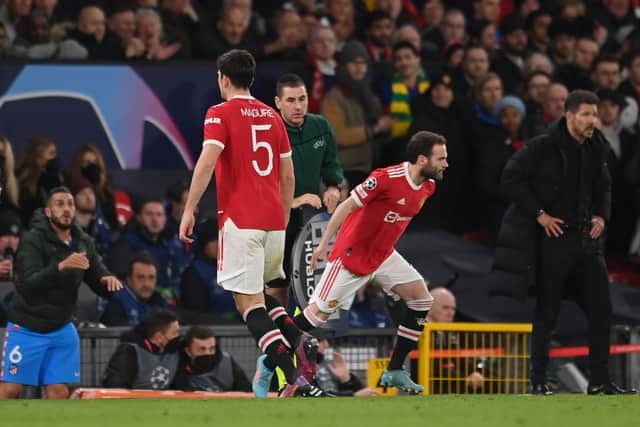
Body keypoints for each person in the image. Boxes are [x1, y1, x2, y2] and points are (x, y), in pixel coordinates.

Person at [178, 49, 325, 398]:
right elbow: (287, 175)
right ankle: (299, 337)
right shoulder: (274, 117)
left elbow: (207, 160)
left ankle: (291, 373)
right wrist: (283, 217)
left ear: (222, 78)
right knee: (259, 294)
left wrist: (189, 208)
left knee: (248, 305)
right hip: (275, 220)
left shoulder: (219, 113)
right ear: (252, 80)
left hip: (241, 221)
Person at [495, 90, 637, 395]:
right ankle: (538, 381)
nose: (592, 120)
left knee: (602, 310)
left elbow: (606, 187)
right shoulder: (542, 146)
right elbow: (509, 178)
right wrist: (540, 215)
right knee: (547, 312)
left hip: (587, 241)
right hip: (553, 239)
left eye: (594, 114)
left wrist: (603, 216)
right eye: (586, 114)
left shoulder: (597, 147)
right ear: (568, 115)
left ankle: (599, 381)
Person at [292, 130, 449, 394]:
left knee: (422, 300)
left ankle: (395, 370)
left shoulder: (428, 187)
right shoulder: (384, 179)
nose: (446, 164)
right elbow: (345, 207)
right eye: (441, 158)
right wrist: (323, 245)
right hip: (351, 256)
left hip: (383, 256)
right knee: (316, 316)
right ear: (422, 159)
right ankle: (269, 357)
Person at [0, 186, 122, 399]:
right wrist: (59, 266)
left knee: (58, 391)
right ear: (48, 212)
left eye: (70, 204)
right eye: (59, 204)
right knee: (11, 389)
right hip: (28, 327)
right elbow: (27, 283)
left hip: (62, 327)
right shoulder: (32, 239)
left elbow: (95, 271)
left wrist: (106, 279)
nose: (66, 209)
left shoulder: (83, 241)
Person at [267, 73, 344, 307]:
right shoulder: (268, 131)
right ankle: (276, 340)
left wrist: (332, 187)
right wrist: (295, 200)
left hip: (311, 221)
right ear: (278, 103)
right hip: (278, 221)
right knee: (278, 287)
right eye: (290, 101)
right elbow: (261, 182)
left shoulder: (320, 126)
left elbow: (332, 165)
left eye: (302, 99)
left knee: (313, 287)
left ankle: (307, 341)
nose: (298, 106)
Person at [102, 309, 181, 390]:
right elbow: (116, 387)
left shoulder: (175, 352)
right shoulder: (129, 352)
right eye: (174, 333)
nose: (178, 336)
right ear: (159, 337)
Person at [173, 326, 251, 392]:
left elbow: (247, 391)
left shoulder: (227, 362)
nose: (208, 353)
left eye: (212, 348)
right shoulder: (176, 365)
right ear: (188, 351)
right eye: (202, 349)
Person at [100, 252, 168, 326]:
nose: (147, 284)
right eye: (141, 277)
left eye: (151, 278)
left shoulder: (160, 302)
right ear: (129, 279)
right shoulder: (115, 303)